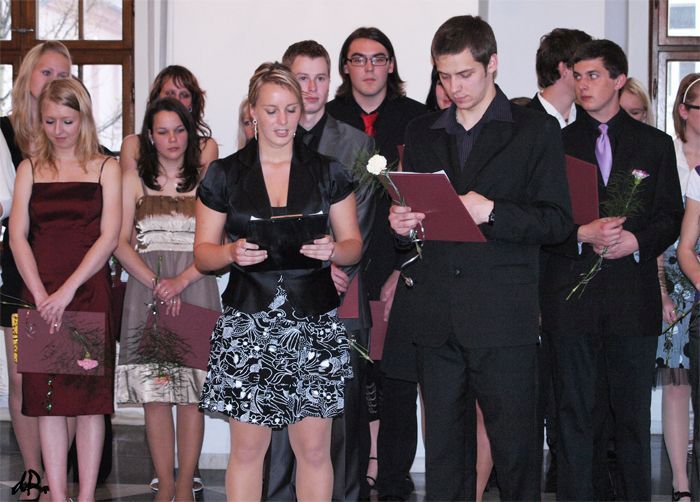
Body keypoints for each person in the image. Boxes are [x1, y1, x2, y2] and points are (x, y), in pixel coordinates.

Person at [388, 15, 572, 500]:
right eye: (444, 76)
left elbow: (557, 223)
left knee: (516, 454)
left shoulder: (534, 130)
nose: (454, 88)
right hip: (437, 317)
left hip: (503, 317)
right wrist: (402, 226)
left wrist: (492, 211)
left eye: (465, 74)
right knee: (445, 458)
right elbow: (417, 228)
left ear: (492, 64)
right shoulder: (422, 130)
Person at [195, 62, 362, 501]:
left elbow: (353, 246)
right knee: (248, 451)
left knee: (315, 451)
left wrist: (333, 250)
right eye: (271, 111)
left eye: (290, 109)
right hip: (249, 323)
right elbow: (203, 253)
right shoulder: (224, 173)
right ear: (252, 111)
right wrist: (230, 253)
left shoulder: (328, 171)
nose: (282, 121)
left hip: (313, 323)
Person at [540, 40, 683, 500]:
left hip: (631, 301)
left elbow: (670, 216)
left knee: (632, 421)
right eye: (578, 76)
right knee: (574, 418)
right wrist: (582, 234)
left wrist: (637, 241)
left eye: (594, 75)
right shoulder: (555, 144)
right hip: (571, 302)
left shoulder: (654, 144)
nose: (583, 85)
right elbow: (542, 222)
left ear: (619, 80)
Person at [262, 40, 376, 501]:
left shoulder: (356, 143)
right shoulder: (266, 139)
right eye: (302, 78)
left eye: (320, 78)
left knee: (341, 414)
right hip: (277, 292)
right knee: (277, 407)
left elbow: (361, 220)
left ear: (333, 81)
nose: (311, 88)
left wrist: (331, 264)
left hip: (340, 288)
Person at [9, 78, 121, 502]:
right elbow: (17, 237)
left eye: (67, 121)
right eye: (50, 121)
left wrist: (68, 291)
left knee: (90, 403)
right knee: (47, 402)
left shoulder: (106, 167)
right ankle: (57, 496)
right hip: (39, 294)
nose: (59, 130)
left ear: (84, 119)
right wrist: (40, 295)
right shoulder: (30, 168)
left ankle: (86, 496)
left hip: (88, 292)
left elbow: (109, 237)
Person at [327, 27, 427, 500]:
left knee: (398, 379)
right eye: (358, 59)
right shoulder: (328, 120)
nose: (369, 68)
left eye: (378, 58)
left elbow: (428, 201)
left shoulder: (417, 120)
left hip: (399, 266)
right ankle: (347, 472)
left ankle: (392, 475)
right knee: (346, 378)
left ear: (391, 65)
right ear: (345, 67)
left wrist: (404, 268)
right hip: (339, 271)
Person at [114, 97, 221, 502]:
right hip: (147, 294)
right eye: (162, 131)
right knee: (155, 397)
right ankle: (165, 485)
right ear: (150, 136)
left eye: (179, 130)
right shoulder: (132, 180)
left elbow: (218, 243)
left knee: (192, 396)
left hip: (196, 288)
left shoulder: (209, 179)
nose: (172, 139)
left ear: (189, 134)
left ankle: (186, 486)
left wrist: (180, 281)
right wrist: (157, 282)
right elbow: (119, 243)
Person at [0, 41, 71, 501]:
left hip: (69, 274)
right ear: (28, 77)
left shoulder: (76, 134)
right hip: (18, 270)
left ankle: (60, 477)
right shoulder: (5, 133)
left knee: (64, 378)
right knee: (23, 376)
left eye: (63, 74)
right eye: (47, 72)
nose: (54, 81)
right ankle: (33, 472)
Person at [527, 26, 592, 493]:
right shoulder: (522, 121)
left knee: (573, 396)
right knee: (526, 400)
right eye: (584, 69)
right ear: (566, 69)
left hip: (577, 283)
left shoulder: (588, 128)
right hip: (528, 281)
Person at [670, 72, 700, 502]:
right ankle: (681, 483)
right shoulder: (673, 156)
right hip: (678, 280)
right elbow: (683, 246)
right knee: (678, 380)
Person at [120, 65, 218, 173]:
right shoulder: (133, 145)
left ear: (192, 103)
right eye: (170, 93)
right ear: (157, 98)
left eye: (184, 95)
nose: (177, 100)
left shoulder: (205, 147)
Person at [529, 28, 593, 128]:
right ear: (563, 68)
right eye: (587, 70)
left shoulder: (592, 121)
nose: (593, 80)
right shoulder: (522, 123)